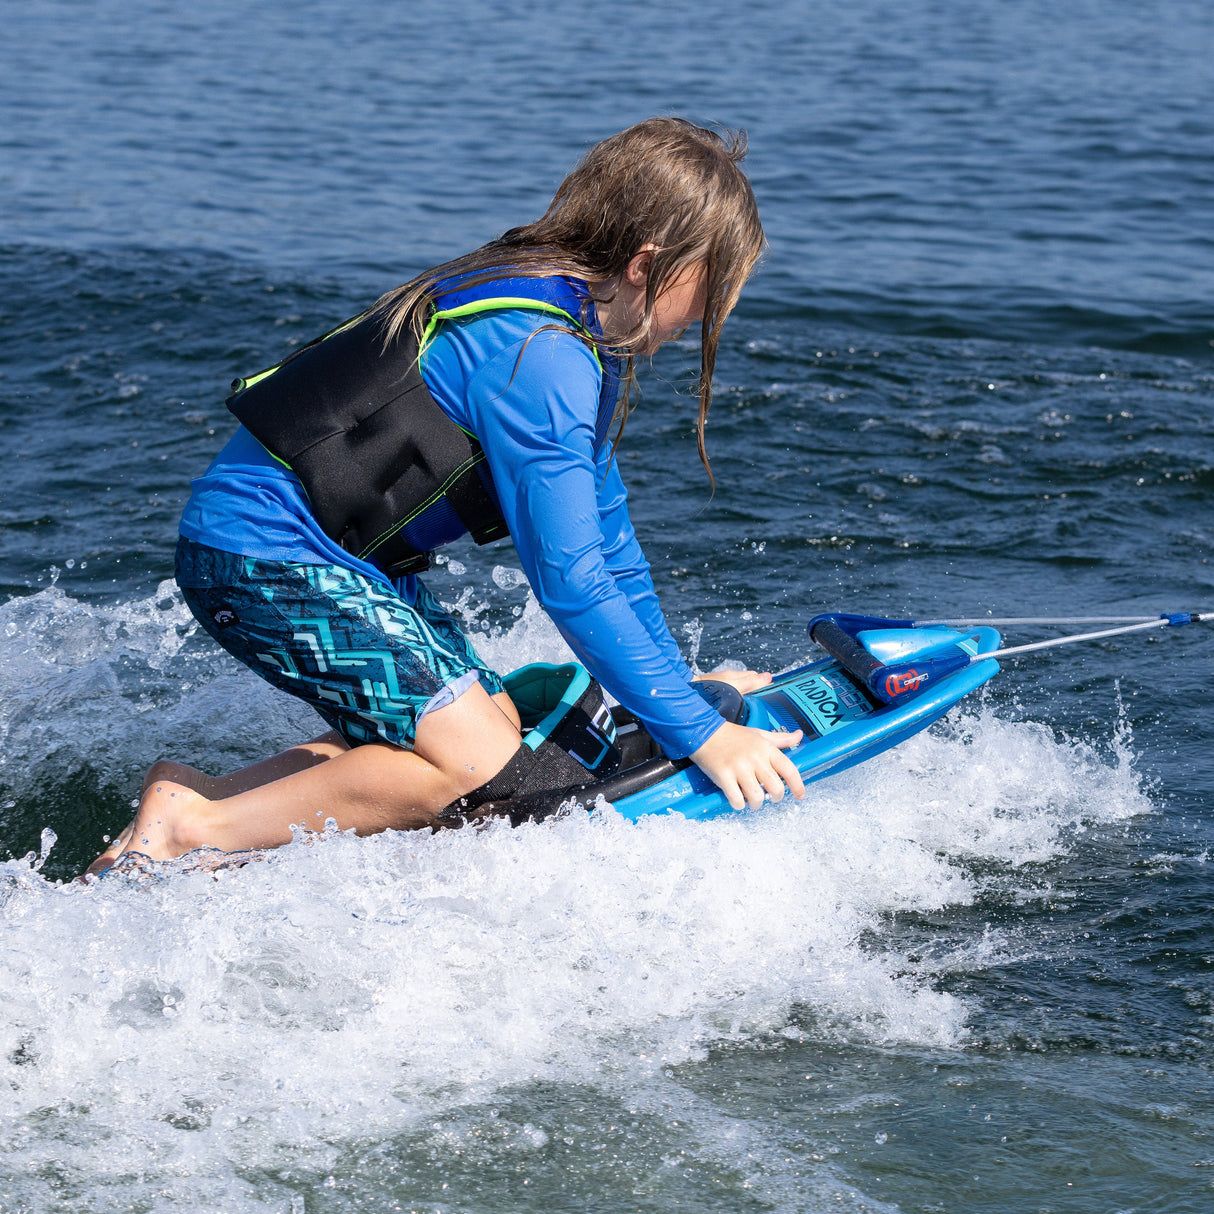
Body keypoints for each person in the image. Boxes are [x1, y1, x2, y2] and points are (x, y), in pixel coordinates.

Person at [85, 118, 805, 877]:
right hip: (261, 556)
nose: (703, 318)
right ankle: (196, 832)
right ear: (645, 263)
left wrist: (677, 695)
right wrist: (703, 734)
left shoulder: (568, 327)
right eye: (707, 288)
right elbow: (571, 580)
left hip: (330, 556)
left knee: (490, 729)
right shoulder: (544, 356)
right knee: (485, 779)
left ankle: (195, 802)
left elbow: (608, 544)